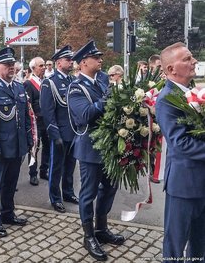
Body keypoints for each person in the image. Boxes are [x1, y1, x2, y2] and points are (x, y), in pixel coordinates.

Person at [67, 40, 125, 261]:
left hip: (109, 147)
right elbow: (84, 115)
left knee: (109, 188)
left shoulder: (101, 81)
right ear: (83, 62)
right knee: (88, 193)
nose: (100, 60)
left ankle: (101, 228)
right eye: (96, 57)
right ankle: (89, 235)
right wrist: (108, 99)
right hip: (90, 148)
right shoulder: (75, 87)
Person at [155, 42, 205, 263]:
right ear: (170, 70)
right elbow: (181, 143)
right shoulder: (167, 98)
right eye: (186, 59)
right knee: (175, 244)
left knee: (200, 243)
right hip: (184, 185)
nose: (193, 61)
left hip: (201, 181)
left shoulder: (193, 92)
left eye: (192, 57)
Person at [0, 47, 33, 237]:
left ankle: (8, 213)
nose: (11, 67)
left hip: (17, 146)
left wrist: (28, 141)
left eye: (13, 64)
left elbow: (25, 117)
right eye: (7, 65)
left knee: (11, 183)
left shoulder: (18, 87)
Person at [40, 45, 78, 213]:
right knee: (56, 167)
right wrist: (55, 135)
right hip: (60, 133)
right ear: (58, 63)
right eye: (67, 60)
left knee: (70, 166)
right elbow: (48, 113)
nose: (71, 62)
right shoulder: (50, 83)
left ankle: (68, 192)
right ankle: (55, 197)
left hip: (74, 132)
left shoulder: (72, 81)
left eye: (71, 59)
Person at [24, 57, 50, 186]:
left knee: (48, 146)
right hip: (35, 122)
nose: (44, 67)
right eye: (41, 65)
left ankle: (44, 170)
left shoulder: (46, 81)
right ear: (33, 68)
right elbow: (27, 104)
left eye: (44, 65)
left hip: (47, 121)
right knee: (34, 148)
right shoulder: (29, 84)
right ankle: (32, 173)